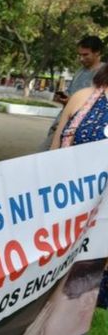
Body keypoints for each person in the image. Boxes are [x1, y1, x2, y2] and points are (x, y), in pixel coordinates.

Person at [50, 64, 108, 310]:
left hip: (103, 232)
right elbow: (51, 159)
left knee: (78, 304)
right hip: (66, 215)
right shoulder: (83, 98)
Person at [41, 36, 105, 150]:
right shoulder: (79, 72)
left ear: (97, 53)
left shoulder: (103, 74)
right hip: (63, 122)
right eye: (79, 55)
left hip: (81, 129)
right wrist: (66, 100)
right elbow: (71, 95)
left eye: (85, 55)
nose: (81, 58)